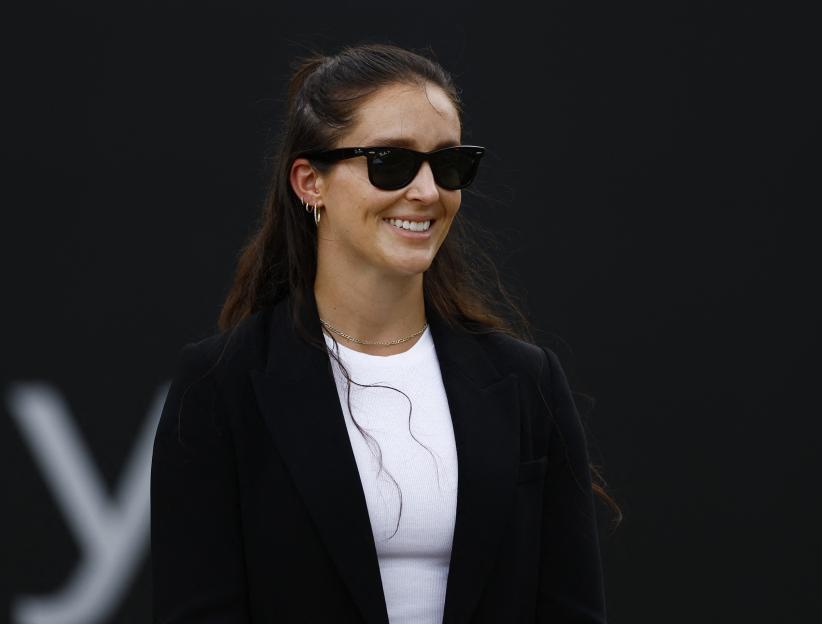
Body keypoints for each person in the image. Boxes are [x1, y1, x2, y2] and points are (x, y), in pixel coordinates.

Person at [151, 41, 618, 624]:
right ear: (309, 182)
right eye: (390, 162)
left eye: (449, 164)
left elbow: (570, 609)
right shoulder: (222, 385)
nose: (426, 191)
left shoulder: (526, 381)